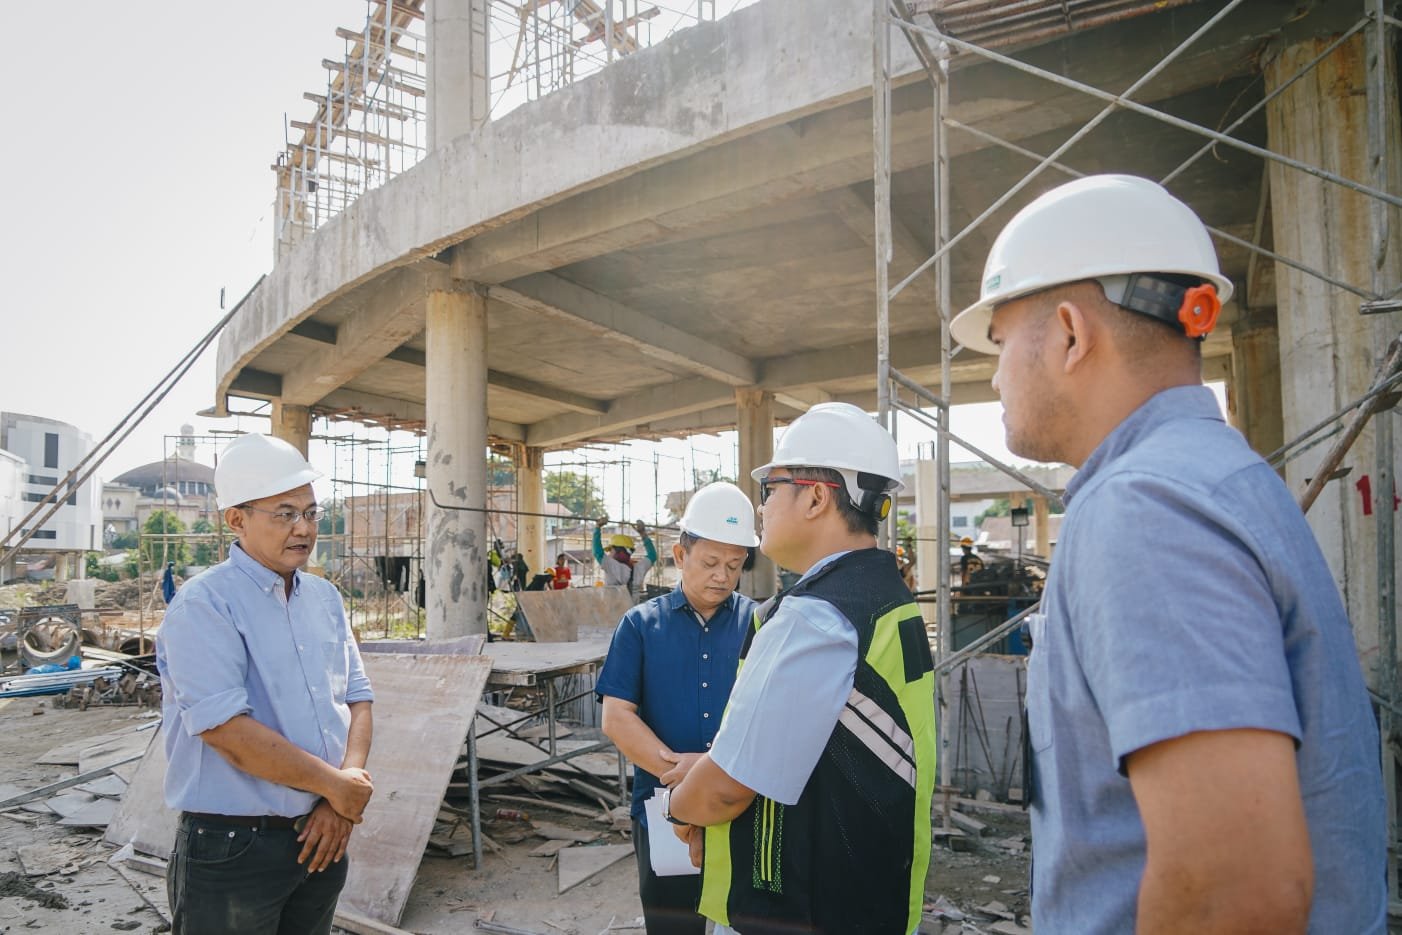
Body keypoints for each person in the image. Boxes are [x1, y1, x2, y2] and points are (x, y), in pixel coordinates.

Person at [948, 173, 1386, 933]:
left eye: (998, 341)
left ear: (1069, 333)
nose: (991, 375)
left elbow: (1231, 891)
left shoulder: (1142, 508)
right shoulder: (1222, 478)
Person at [666, 403, 936, 935]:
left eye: (770, 488)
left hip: (796, 908)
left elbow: (724, 791)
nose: (760, 508)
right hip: (865, 897)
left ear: (815, 496)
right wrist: (721, 761)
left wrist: (681, 807)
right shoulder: (885, 597)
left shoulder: (815, 617)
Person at [155, 433, 375, 935]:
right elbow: (229, 733)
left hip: (322, 833)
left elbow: (357, 699)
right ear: (236, 519)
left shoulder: (324, 599)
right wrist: (334, 787)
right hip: (234, 848)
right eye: (284, 513)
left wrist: (343, 794)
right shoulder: (204, 606)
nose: (304, 527)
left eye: (311, 512)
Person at [595, 482, 759, 935]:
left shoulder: (759, 624)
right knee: (674, 925)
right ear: (680, 554)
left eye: (734, 564)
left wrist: (710, 777)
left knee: (745, 921)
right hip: (663, 810)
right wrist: (687, 775)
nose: (722, 576)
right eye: (709, 562)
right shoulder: (641, 625)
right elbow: (617, 716)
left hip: (742, 807)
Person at [592, 518, 657, 599]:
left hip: (614, 610)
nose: (609, 554)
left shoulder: (611, 566)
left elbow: (597, 552)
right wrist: (643, 534)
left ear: (619, 552)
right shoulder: (639, 568)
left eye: (611, 550)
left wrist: (597, 527)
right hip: (633, 609)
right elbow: (652, 556)